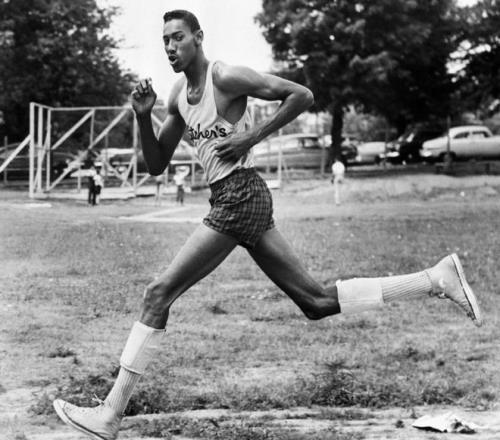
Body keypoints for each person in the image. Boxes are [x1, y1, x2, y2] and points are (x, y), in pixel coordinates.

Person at [53, 10, 483, 440]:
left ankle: (110, 414)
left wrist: (251, 136)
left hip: (240, 195)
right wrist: (142, 116)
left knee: (158, 293)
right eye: (164, 40)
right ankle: (434, 279)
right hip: (234, 197)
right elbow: (155, 164)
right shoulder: (178, 95)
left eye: (178, 37)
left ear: (198, 37)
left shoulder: (225, 77)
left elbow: (301, 95)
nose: (170, 47)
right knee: (315, 302)